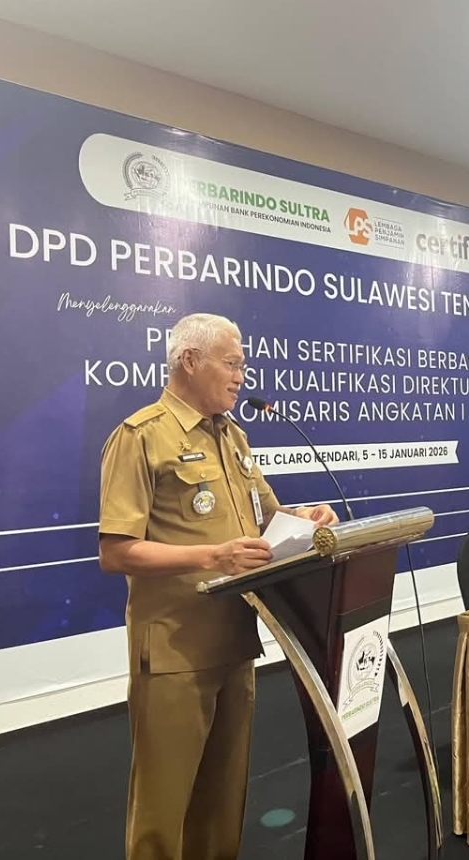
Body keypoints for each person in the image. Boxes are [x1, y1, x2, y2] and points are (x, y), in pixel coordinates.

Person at [97, 312, 338, 860]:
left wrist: (306, 517)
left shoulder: (233, 437)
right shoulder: (140, 437)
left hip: (235, 641)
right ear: (189, 360)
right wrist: (213, 556)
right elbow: (116, 551)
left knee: (223, 802)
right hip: (175, 651)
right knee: (163, 808)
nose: (240, 376)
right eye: (231, 363)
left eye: (242, 365)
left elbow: (265, 519)